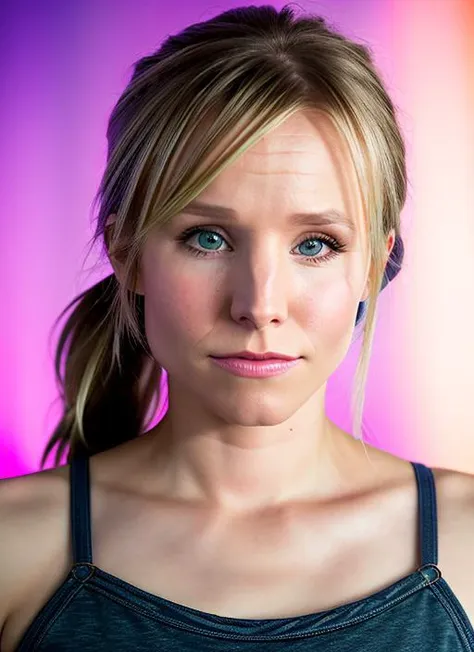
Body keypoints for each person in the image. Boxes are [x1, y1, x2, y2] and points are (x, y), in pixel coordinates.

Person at [1, 4, 473, 651]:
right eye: (209, 237)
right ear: (127, 253)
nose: (259, 303)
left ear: (373, 263)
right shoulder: (13, 547)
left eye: (315, 244)